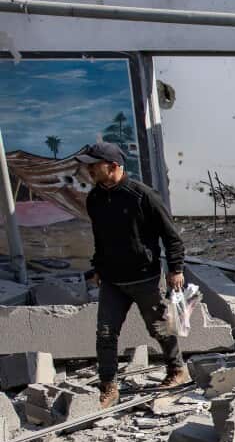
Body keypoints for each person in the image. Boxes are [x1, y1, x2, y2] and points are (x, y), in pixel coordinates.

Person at [76, 142, 190, 408]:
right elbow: (100, 239)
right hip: (112, 281)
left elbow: (171, 236)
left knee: (159, 327)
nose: (89, 169)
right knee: (105, 333)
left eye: (94, 165)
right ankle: (108, 386)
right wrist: (96, 268)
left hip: (144, 278)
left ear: (114, 167)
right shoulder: (94, 199)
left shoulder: (143, 196)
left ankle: (176, 370)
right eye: (88, 165)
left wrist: (176, 269)